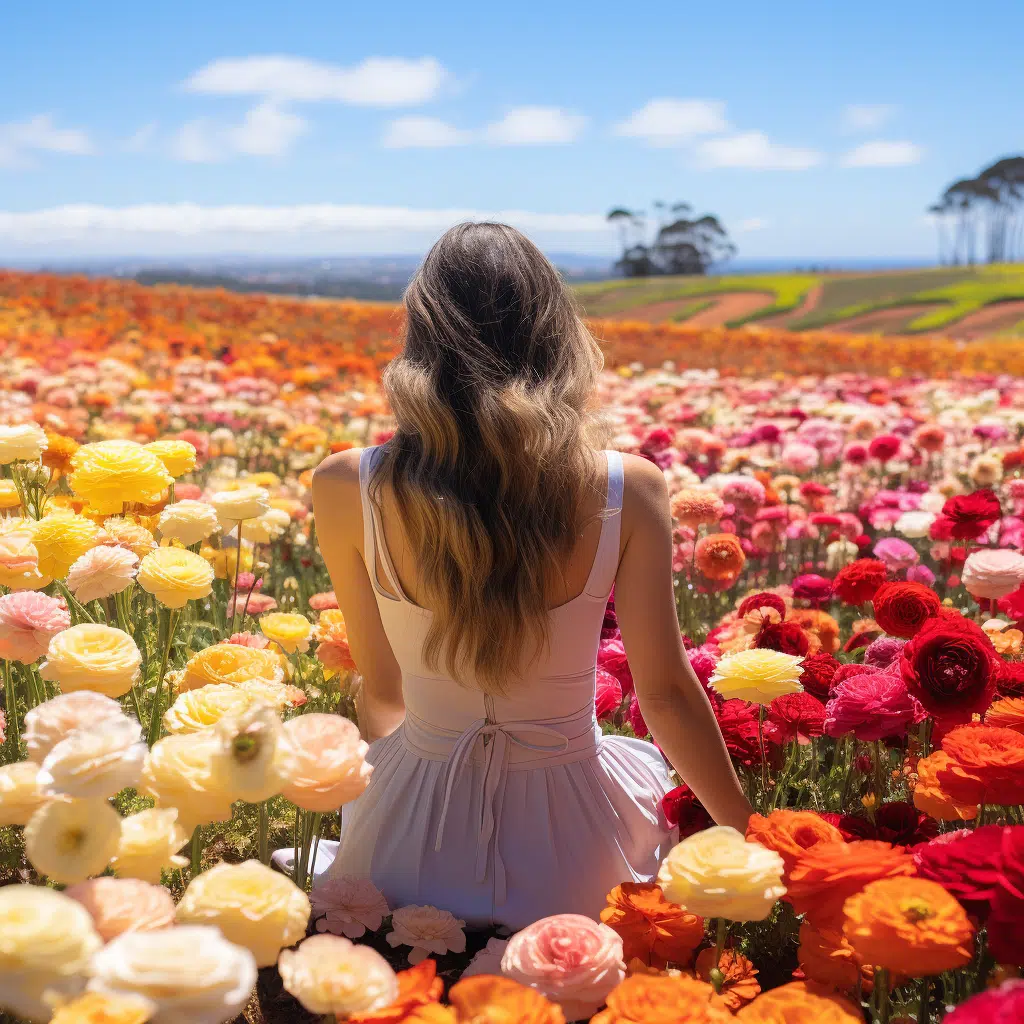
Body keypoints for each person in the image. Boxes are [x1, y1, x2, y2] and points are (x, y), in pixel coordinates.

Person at [308, 222, 752, 929]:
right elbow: (664, 693)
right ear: (558, 338)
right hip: (580, 862)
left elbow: (383, 692)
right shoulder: (626, 489)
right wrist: (749, 841)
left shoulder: (344, 486)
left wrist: (379, 820)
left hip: (404, 856)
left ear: (420, 336)